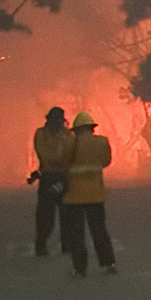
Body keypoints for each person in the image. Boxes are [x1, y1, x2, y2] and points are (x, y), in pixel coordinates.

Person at [62, 111, 117, 277]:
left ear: (76, 129)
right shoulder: (102, 142)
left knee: (77, 235)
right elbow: (106, 162)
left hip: (74, 197)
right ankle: (108, 264)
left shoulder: (70, 143)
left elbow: (63, 161)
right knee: (99, 231)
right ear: (91, 128)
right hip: (96, 195)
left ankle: (80, 269)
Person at [32, 106, 74, 257]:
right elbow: (45, 155)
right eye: (54, 120)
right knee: (45, 215)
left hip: (64, 178)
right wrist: (60, 160)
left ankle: (67, 244)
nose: (57, 123)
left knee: (67, 214)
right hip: (48, 178)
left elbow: (71, 154)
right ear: (49, 120)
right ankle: (41, 244)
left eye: (59, 120)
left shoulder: (68, 135)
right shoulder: (41, 134)